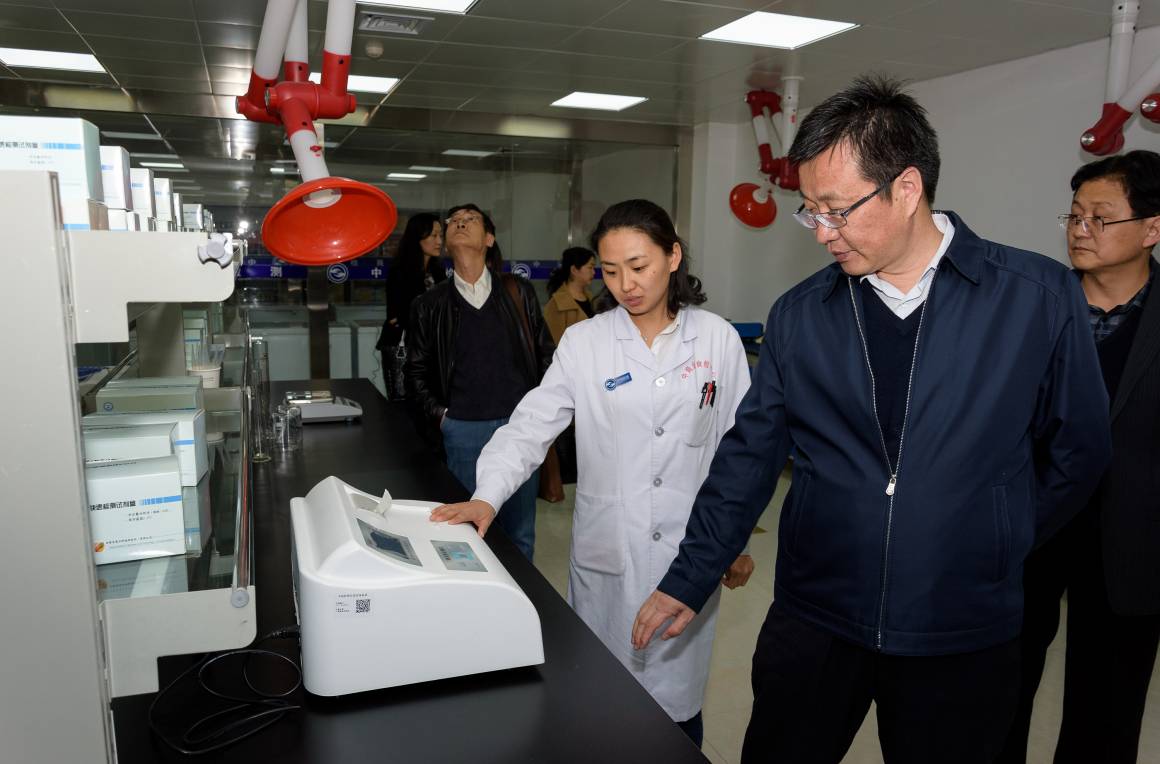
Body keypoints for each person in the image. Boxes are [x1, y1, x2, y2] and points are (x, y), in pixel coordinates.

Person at [631, 75, 1112, 764]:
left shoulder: (1034, 297)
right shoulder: (802, 314)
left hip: (960, 627)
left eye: (837, 210)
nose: (823, 233)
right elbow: (750, 456)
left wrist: (997, 537)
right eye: (810, 212)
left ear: (907, 188)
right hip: (817, 614)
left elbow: (1081, 449)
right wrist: (692, 573)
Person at [430, 199, 756, 747]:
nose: (626, 284)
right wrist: (488, 494)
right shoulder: (587, 342)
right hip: (611, 554)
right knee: (602, 705)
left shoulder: (716, 339)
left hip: (690, 551)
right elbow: (530, 424)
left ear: (673, 256)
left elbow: (739, 451)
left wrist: (735, 542)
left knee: (676, 712)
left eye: (639, 265)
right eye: (610, 270)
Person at [999, 150, 1160, 764]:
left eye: (1101, 217)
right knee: (998, 693)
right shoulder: (1032, 307)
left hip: (1131, 542)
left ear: (1151, 228)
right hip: (1030, 527)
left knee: (1107, 712)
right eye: (1074, 215)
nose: (1080, 230)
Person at [405, 203, 554, 561]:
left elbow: (547, 355)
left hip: (519, 428)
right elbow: (415, 371)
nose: (459, 223)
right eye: (453, 221)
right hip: (462, 431)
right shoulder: (429, 304)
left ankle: (519, 595)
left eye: (470, 220)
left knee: (519, 535)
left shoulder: (518, 292)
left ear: (489, 238)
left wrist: (539, 413)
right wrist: (443, 417)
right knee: (466, 534)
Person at [377, 212, 446, 399]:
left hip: (431, 348)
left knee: (429, 400)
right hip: (403, 344)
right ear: (418, 237)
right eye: (433, 235)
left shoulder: (438, 272)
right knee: (402, 400)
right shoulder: (400, 271)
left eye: (440, 235)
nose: (439, 241)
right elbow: (396, 316)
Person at [543, 246, 598, 344]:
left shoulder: (592, 299)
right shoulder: (557, 304)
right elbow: (554, 344)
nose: (593, 272)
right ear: (574, 270)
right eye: (590, 267)